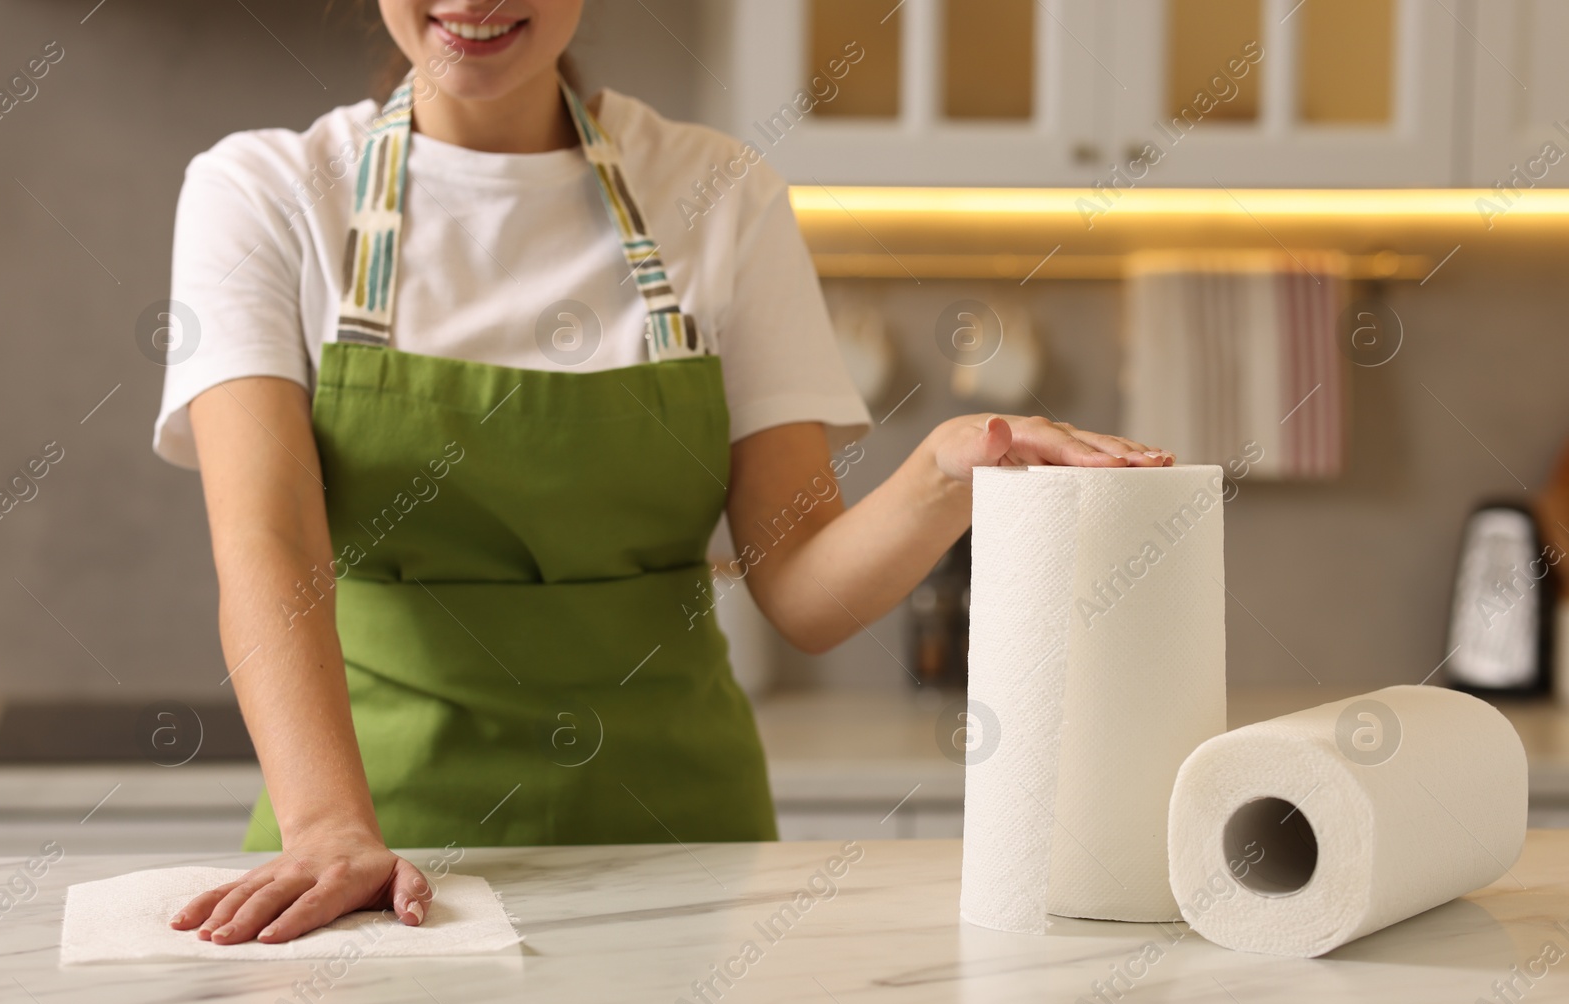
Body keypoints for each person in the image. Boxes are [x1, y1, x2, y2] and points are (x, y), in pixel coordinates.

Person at [155, 0, 1172, 947]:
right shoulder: (266, 191)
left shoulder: (719, 191)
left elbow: (803, 586)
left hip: (685, 852)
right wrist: (331, 825)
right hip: (375, 850)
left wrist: (946, 471)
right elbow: (268, 541)